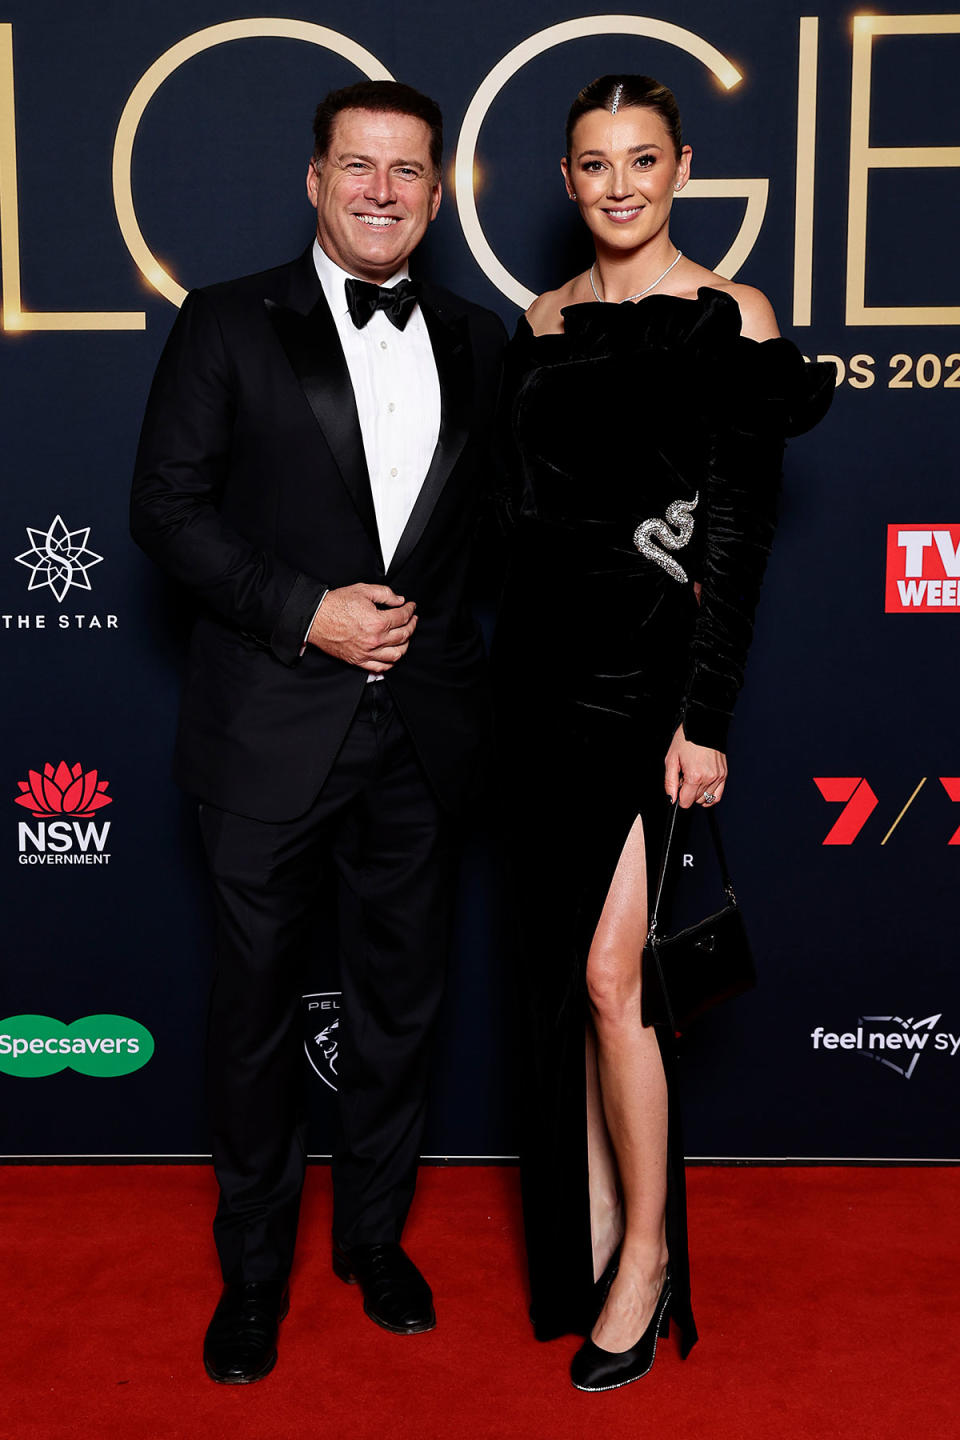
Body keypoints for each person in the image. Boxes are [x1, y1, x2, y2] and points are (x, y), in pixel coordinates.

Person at [130, 79, 506, 1385]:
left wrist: (671, 553)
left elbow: (521, 528)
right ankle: (251, 1282)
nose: (384, 191)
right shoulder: (228, 322)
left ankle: (378, 1243)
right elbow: (166, 510)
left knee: (402, 1012)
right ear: (315, 179)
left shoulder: (484, 337)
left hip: (425, 738)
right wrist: (308, 614)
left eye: (409, 170)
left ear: (440, 190)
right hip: (266, 735)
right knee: (252, 1022)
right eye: (360, 166)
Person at [493, 75, 833, 1392]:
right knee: (566, 989)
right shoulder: (542, 320)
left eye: (643, 158)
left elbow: (733, 542)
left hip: (646, 697)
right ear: (567, 178)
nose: (619, 183)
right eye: (594, 162)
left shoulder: (727, 321)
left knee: (611, 983)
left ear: (682, 166)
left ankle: (645, 1258)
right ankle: (589, 1239)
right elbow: (519, 523)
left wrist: (706, 715)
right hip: (534, 687)